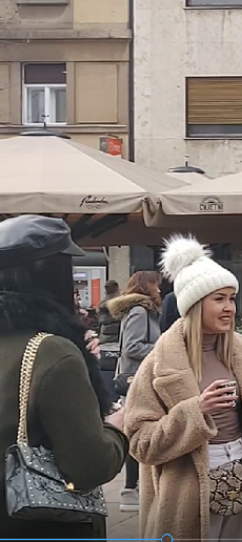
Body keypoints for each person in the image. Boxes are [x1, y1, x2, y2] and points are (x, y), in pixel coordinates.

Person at [124, 235, 242, 541]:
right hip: (187, 492)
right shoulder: (160, 362)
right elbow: (140, 443)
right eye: (219, 299)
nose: (229, 308)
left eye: (231, 298)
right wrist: (195, 411)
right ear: (195, 304)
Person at [0, 215, 127, 539]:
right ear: (53, 277)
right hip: (37, 524)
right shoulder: (53, 353)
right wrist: (117, 428)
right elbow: (89, 466)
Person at [108, 270, 162, 513]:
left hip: (139, 378)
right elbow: (132, 347)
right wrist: (162, 348)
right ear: (145, 286)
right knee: (137, 431)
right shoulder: (140, 311)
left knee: (138, 430)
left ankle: (134, 488)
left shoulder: (142, 311)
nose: (159, 290)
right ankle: (130, 489)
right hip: (136, 380)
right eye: (155, 285)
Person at [96, 279, 121, 400]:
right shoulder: (121, 305)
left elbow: (99, 325)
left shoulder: (101, 306)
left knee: (106, 377)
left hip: (104, 345)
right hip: (118, 345)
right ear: (117, 289)